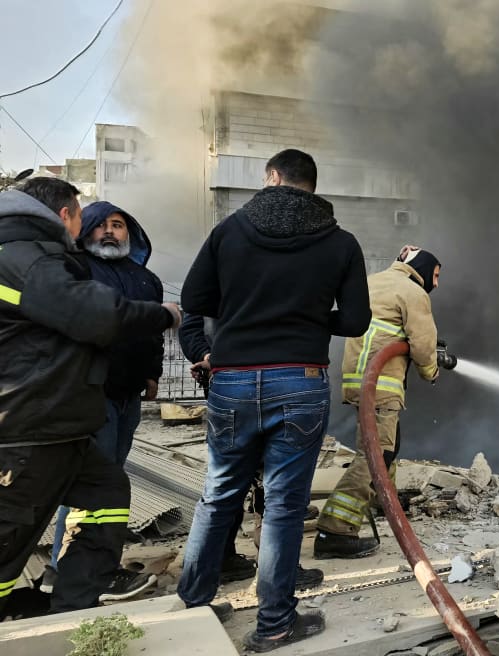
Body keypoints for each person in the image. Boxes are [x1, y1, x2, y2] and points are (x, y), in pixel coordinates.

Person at [177, 149, 371, 652]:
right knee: (284, 507)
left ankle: (192, 611)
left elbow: (195, 300)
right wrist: (305, 316)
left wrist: (246, 312)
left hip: (234, 378)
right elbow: (354, 321)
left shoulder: (229, 231)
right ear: (313, 185)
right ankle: (275, 625)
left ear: (272, 178)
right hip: (300, 380)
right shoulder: (342, 242)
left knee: (217, 495)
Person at [0, 178, 180, 615]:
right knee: (11, 533)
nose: (98, 229)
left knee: (107, 492)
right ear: (66, 216)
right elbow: (94, 315)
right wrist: (164, 315)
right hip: (32, 425)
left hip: (61, 420)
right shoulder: (25, 258)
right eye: (85, 217)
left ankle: (73, 600)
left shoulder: (35, 257)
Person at [43, 201, 165, 600]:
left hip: (127, 395)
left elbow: (150, 334)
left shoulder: (145, 279)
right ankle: (69, 570)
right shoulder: (75, 271)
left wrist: (152, 374)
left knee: (109, 481)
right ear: (86, 230)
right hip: (89, 392)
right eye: (101, 225)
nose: (111, 232)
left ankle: (85, 568)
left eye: (119, 225)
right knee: (91, 485)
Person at [315, 245, 451, 559]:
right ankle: (335, 528)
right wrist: (431, 370)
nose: (437, 283)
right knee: (376, 454)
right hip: (382, 384)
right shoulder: (413, 292)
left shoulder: (373, 282)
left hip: (358, 381)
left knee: (388, 445)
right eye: (436, 275)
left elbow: (388, 330)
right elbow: (422, 341)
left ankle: (381, 501)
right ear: (422, 268)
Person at [178, 312, 324, 589]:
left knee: (228, 478)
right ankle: (276, 572)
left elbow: (190, 325)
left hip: (223, 379)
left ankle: (216, 565)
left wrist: (207, 357)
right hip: (269, 377)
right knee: (271, 477)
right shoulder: (267, 273)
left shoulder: (211, 273)